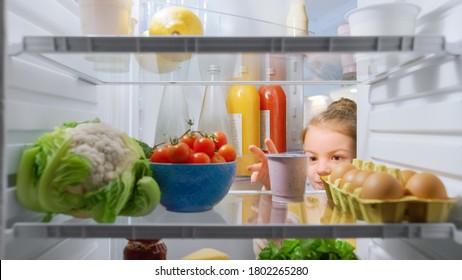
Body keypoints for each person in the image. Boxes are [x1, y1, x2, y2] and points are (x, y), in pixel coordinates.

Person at [247, 97, 357, 190]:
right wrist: (274, 188)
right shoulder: (305, 205)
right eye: (313, 158)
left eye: (337, 158)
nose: (321, 169)